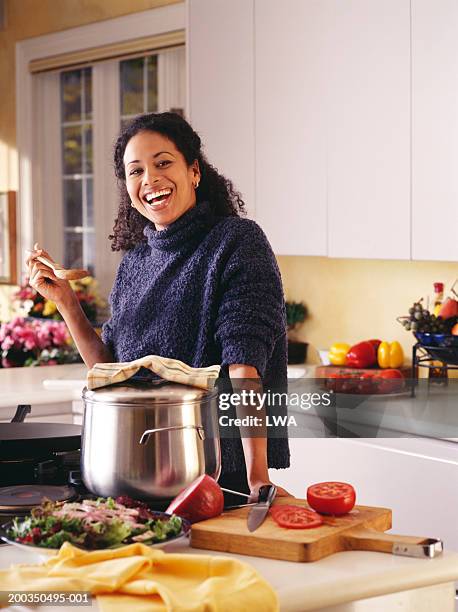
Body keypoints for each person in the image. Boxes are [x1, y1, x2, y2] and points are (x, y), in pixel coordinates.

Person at [26, 112, 290, 502]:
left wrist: (257, 478)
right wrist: (67, 303)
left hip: (215, 478)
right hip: (133, 476)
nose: (149, 179)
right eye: (136, 171)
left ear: (194, 171)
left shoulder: (236, 242)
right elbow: (110, 371)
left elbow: (244, 366)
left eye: (163, 163)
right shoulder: (135, 262)